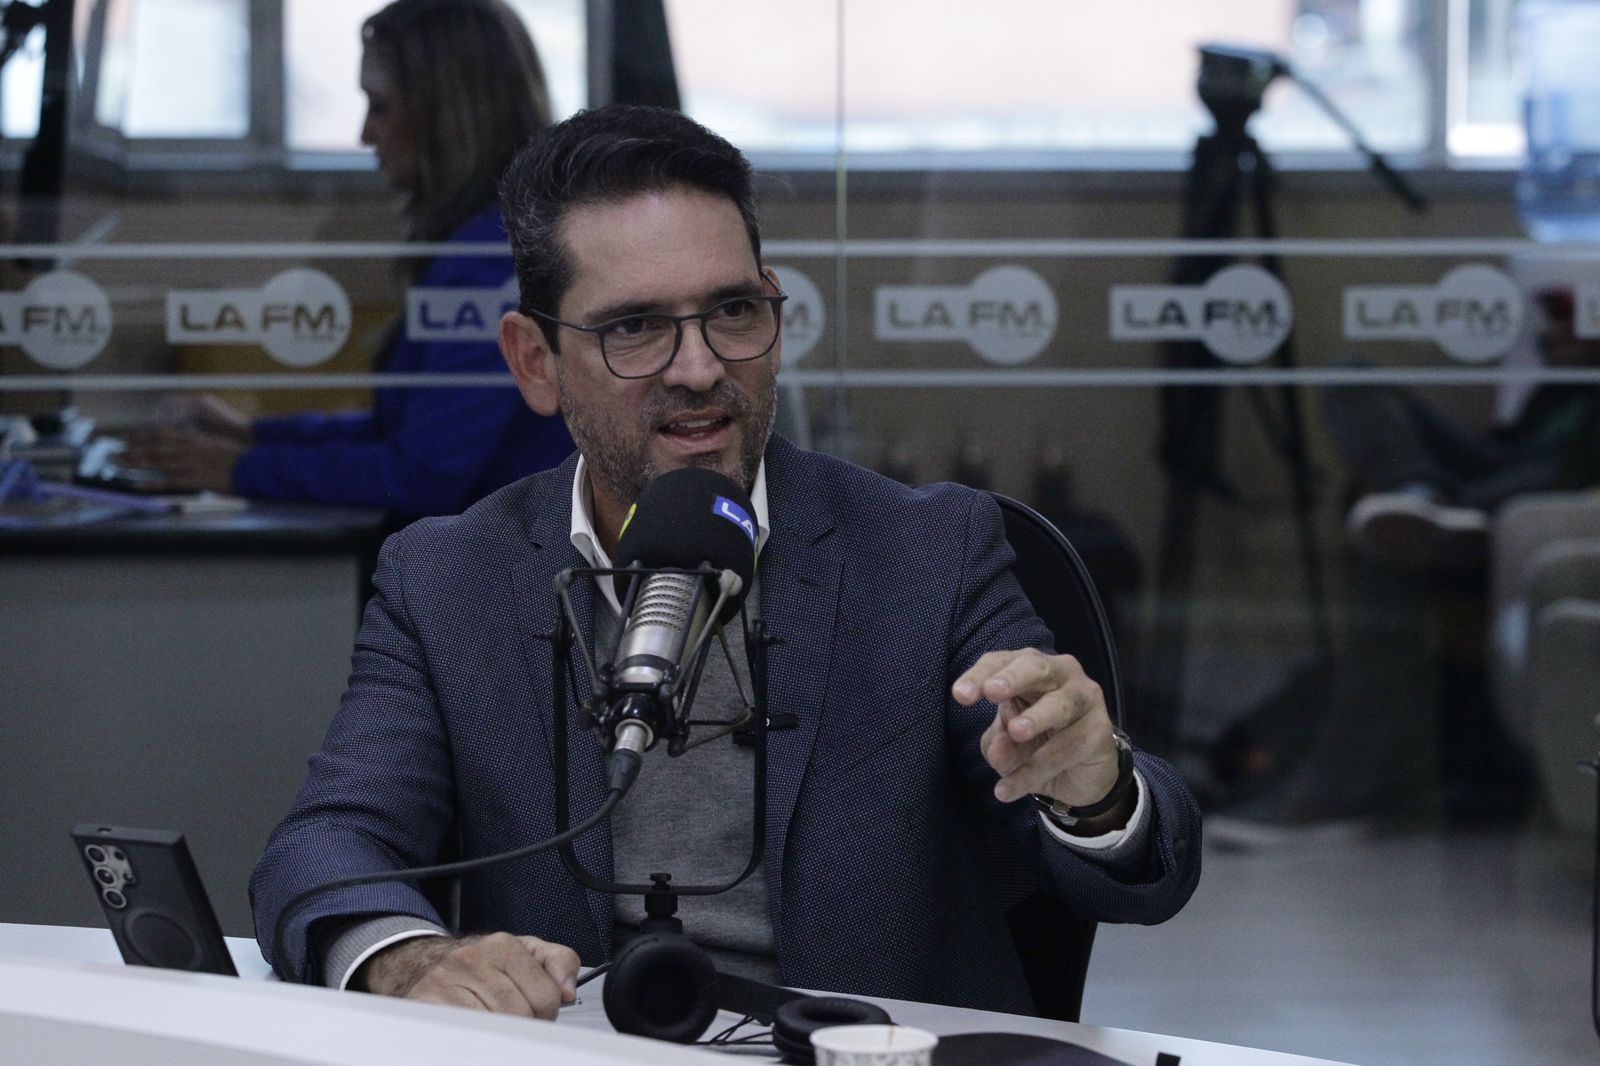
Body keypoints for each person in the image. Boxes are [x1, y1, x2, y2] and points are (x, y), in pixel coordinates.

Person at [250, 104, 1202, 1021]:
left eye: (734, 311)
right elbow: (327, 844)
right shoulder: (446, 579)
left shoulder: (930, 551)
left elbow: (1133, 872)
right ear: (535, 361)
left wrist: (1095, 791)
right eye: (634, 327)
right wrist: (412, 959)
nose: (699, 369)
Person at [124, 0, 572, 520]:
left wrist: (237, 467)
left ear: (445, 115)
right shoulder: (493, 240)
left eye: (380, 107)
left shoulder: (488, 257)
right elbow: (403, 432)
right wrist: (251, 435)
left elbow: (423, 476)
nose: (364, 134)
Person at [1325, 287, 1600, 570]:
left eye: (1571, 325)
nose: (1555, 334)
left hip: (1563, 474)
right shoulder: (1559, 386)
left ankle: (1440, 517)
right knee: (1351, 372)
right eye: (1556, 325)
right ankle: (1418, 493)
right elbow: (1507, 441)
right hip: (1497, 460)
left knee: (1559, 472)